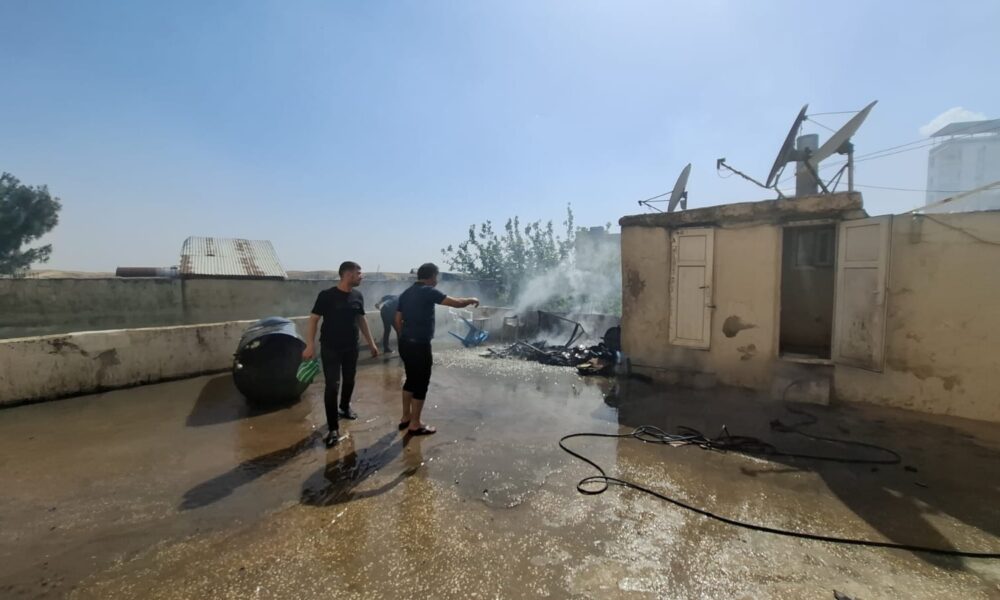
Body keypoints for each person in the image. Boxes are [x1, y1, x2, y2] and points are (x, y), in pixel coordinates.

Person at [394, 263, 479, 436]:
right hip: (420, 345)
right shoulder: (428, 291)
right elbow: (456, 303)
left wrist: (405, 336)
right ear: (432, 276)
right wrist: (471, 299)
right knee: (421, 383)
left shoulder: (406, 293)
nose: (437, 280)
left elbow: (397, 319)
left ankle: (405, 417)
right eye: (436, 277)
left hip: (405, 343)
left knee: (410, 379)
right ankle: (415, 424)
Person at [303, 261, 380, 447]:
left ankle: (344, 407)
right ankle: (333, 429)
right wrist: (310, 345)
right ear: (347, 274)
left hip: (351, 347)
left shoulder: (357, 296)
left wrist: (371, 343)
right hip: (330, 347)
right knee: (332, 386)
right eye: (358, 273)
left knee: (350, 380)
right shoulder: (327, 296)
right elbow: (313, 320)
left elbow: (361, 319)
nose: (361, 276)